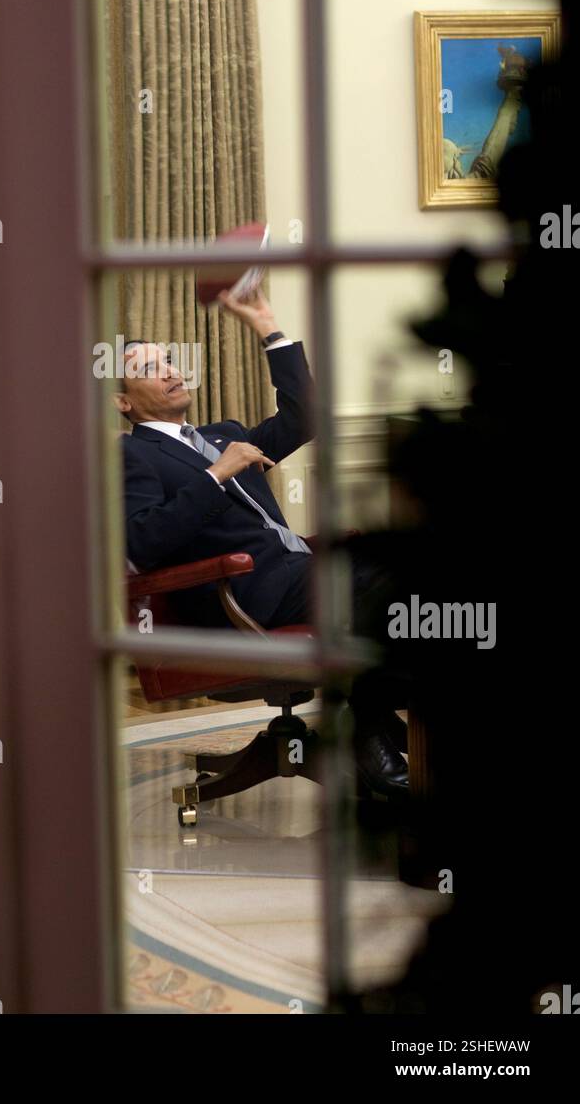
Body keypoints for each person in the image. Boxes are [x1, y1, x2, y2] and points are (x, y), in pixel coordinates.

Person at [115, 287, 408, 799]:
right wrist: (214, 476)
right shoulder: (133, 455)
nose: (169, 370)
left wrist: (267, 325)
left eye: (169, 360)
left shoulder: (226, 434)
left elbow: (304, 420)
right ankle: (370, 730)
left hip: (296, 570)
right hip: (245, 594)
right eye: (148, 368)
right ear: (123, 401)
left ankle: (382, 722)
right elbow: (142, 544)